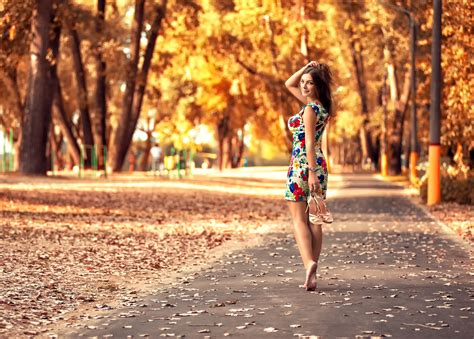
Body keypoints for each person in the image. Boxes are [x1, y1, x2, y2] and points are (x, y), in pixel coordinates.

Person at [284, 60, 333, 291]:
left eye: (309, 83)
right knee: (315, 218)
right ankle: (312, 273)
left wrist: (310, 172)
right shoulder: (320, 107)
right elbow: (289, 83)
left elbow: (309, 143)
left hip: (303, 166)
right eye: (303, 83)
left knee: (298, 219)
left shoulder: (310, 109)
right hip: (318, 166)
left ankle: (309, 264)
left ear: (317, 86)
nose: (303, 86)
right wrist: (306, 68)